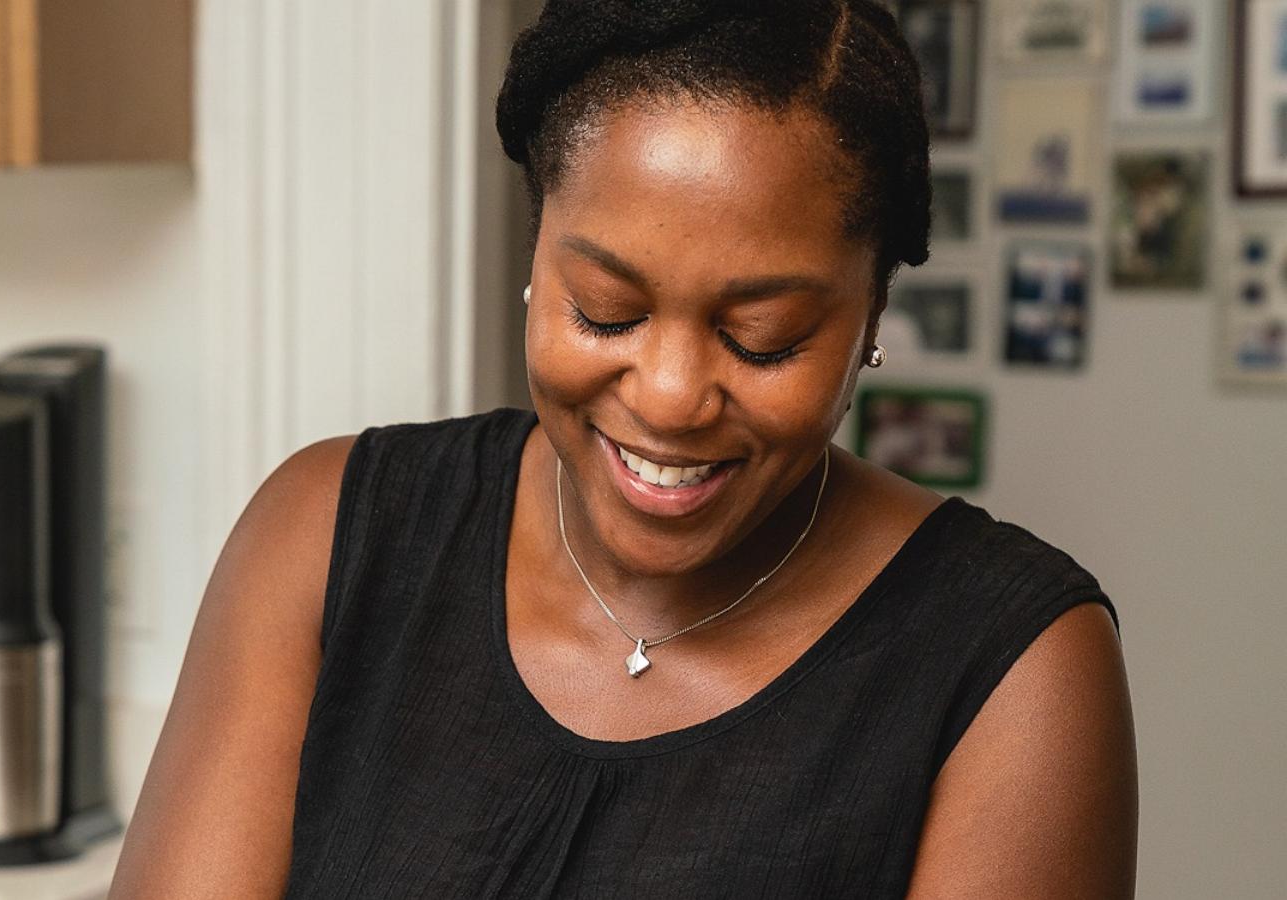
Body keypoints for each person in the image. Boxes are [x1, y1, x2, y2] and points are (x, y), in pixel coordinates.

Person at [109, 1, 1138, 896]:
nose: (671, 396)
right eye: (604, 312)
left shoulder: (1013, 670)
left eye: (762, 336)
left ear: (871, 317)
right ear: (535, 255)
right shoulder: (327, 535)